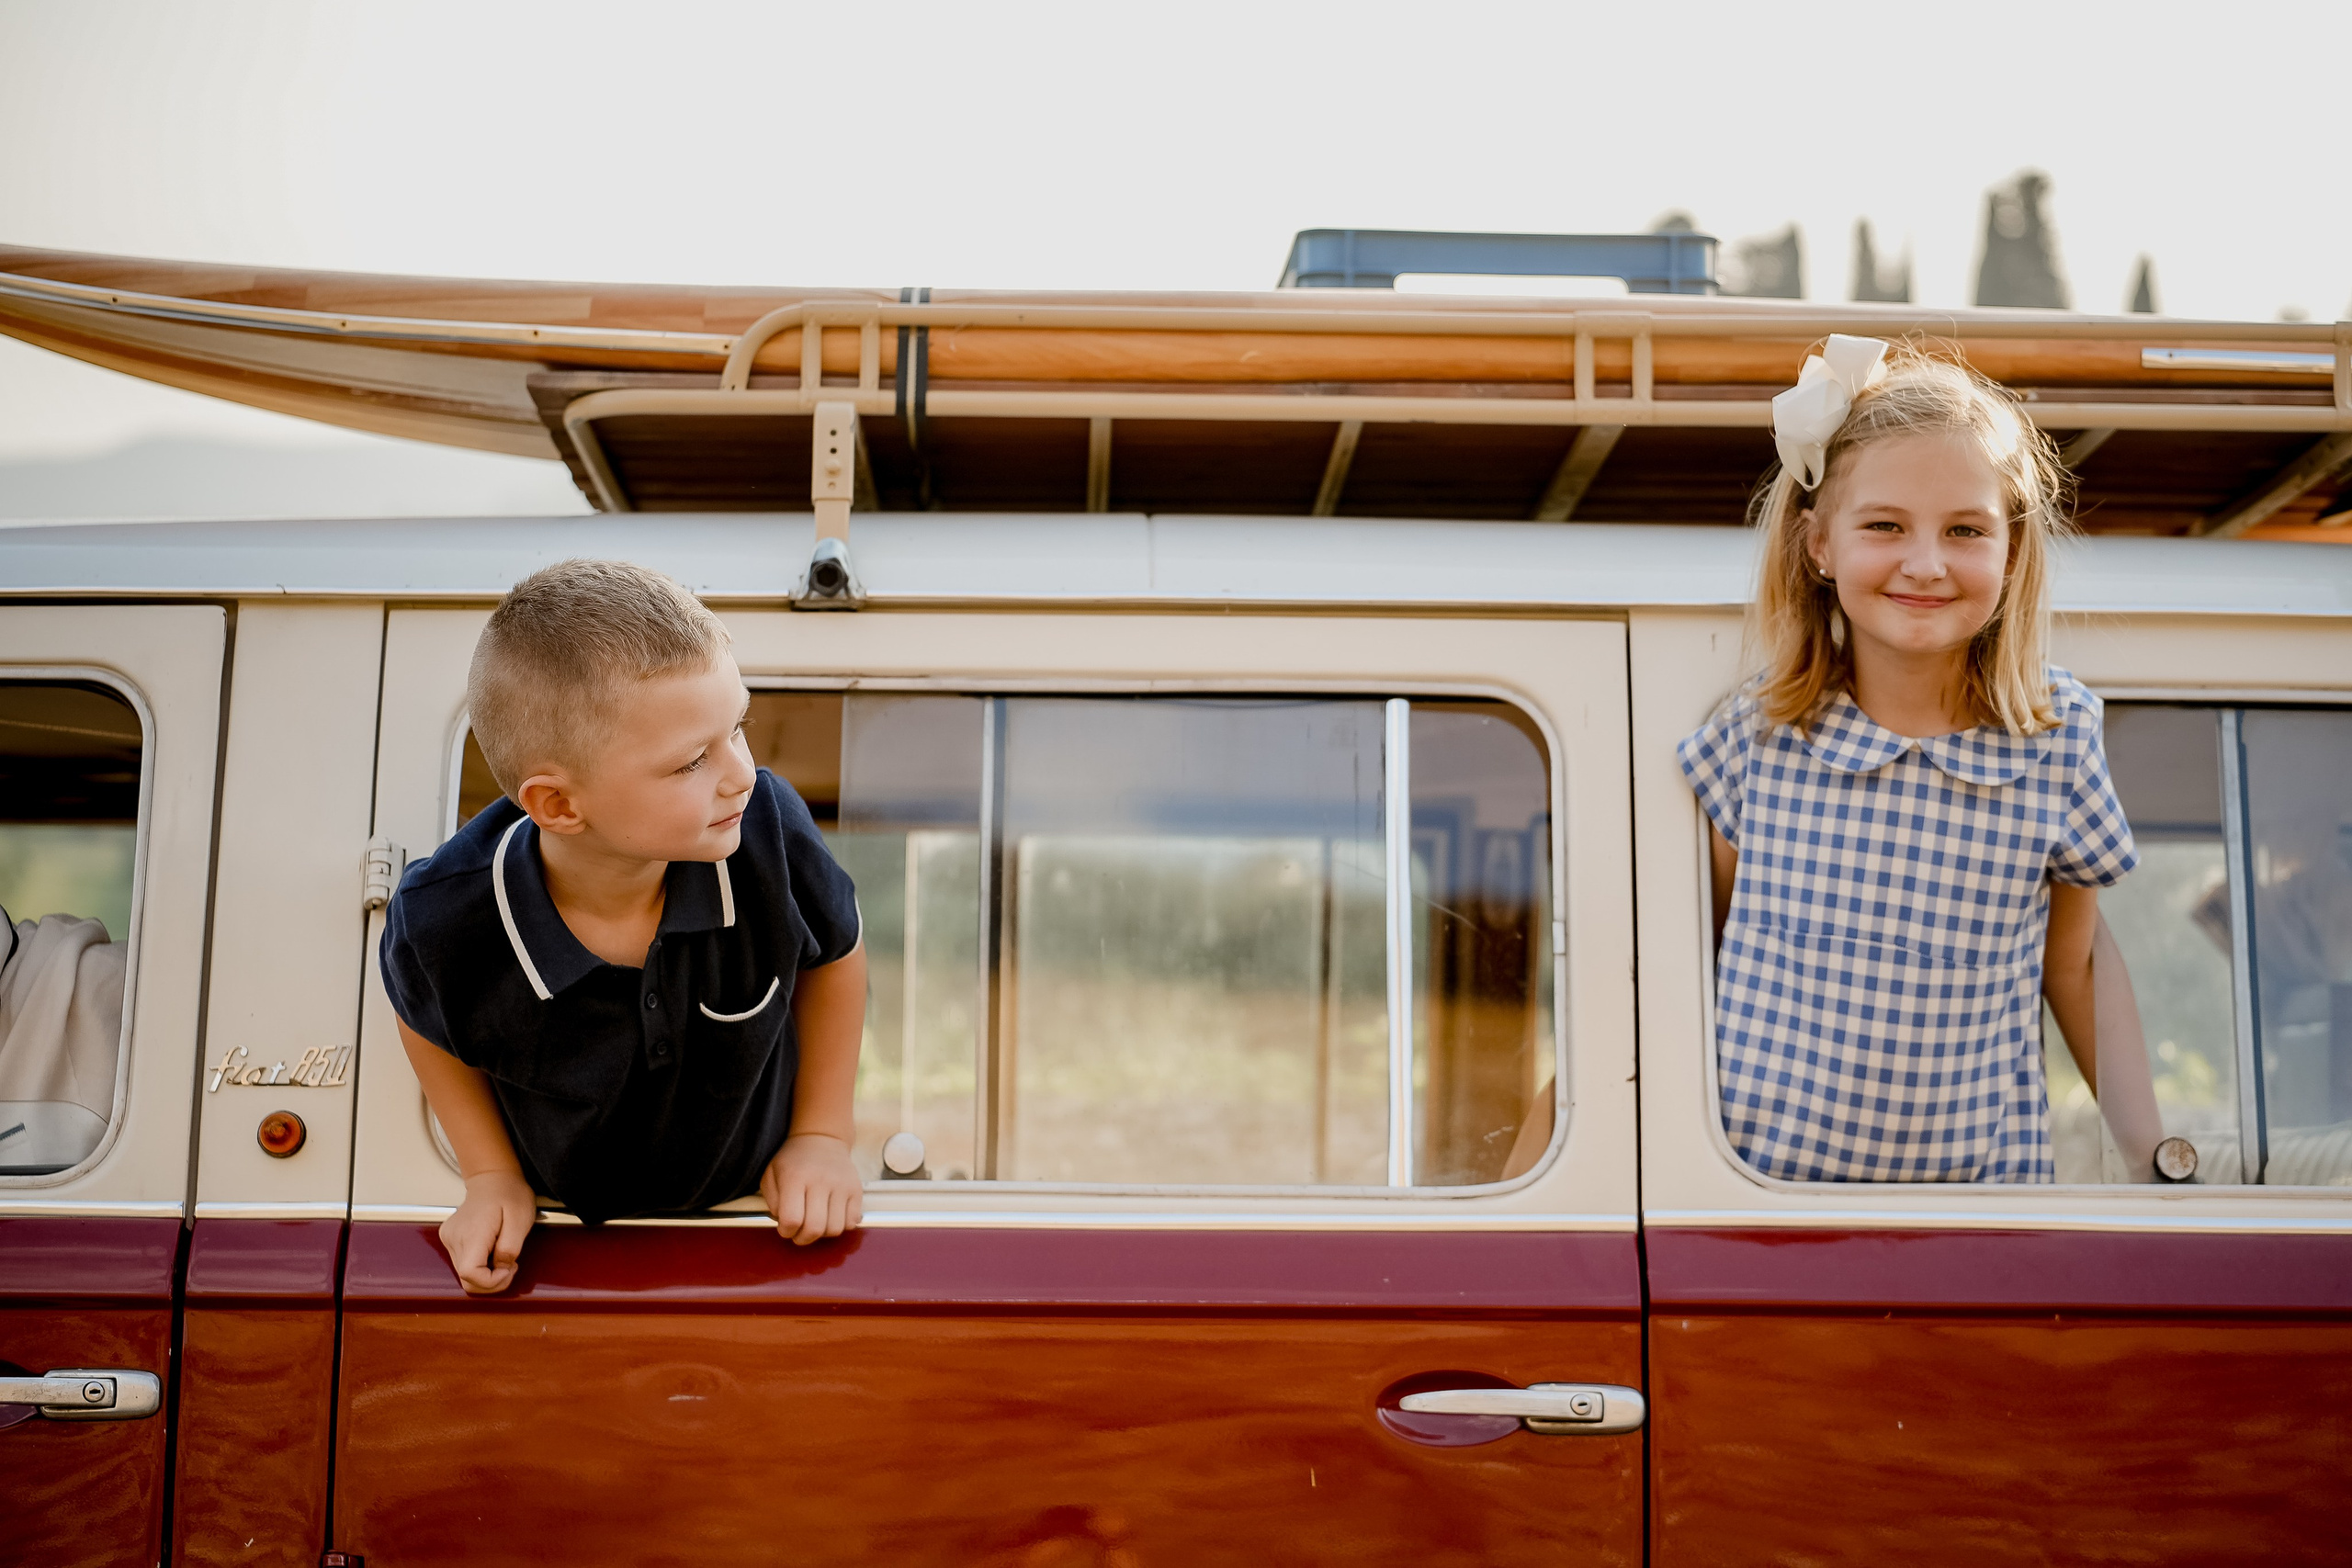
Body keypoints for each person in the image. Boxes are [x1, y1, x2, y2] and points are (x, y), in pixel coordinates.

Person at [1679, 336, 2146, 1183]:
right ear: (1819, 544)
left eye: (1965, 529)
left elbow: (2072, 965)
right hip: (1759, 1212)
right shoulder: (1758, 740)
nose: (1925, 563)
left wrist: (2156, 1157)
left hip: (1976, 1224)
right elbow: (1687, 963)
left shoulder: (2058, 742)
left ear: (2011, 551)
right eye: (1885, 525)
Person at [381, 559, 867, 1293]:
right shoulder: (445, 918)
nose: (741, 772)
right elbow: (424, 1015)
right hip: (568, 1256)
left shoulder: (767, 830)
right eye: (691, 762)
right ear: (559, 806)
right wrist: (489, 1174)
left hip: (750, 1231)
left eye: (737, 726)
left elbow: (836, 952)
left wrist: (822, 1135)